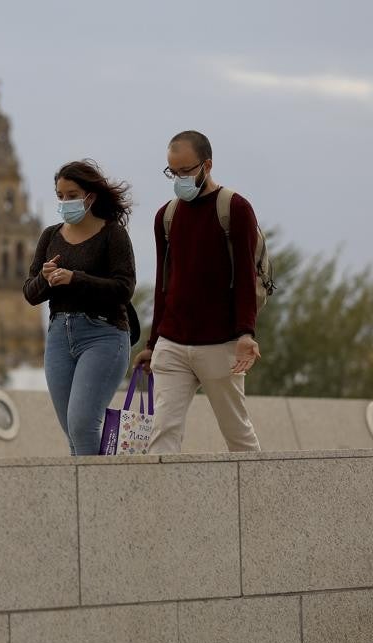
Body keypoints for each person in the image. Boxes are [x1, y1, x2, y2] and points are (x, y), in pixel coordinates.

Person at [133, 130, 262, 453]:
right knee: (162, 434)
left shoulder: (234, 208)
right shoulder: (166, 216)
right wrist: (153, 343)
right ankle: (160, 504)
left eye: (185, 171)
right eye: (172, 173)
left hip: (221, 344)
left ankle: (263, 500)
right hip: (172, 343)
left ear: (207, 164)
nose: (178, 179)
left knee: (237, 434)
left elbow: (246, 275)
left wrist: (246, 333)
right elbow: (164, 283)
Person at [24, 160, 137, 456]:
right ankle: (89, 495)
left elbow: (124, 289)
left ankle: (95, 498)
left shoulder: (112, 234)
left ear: (91, 196)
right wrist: (46, 279)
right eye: (60, 196)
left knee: (83, 423)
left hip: (103, 334)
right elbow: (30, 294)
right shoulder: (50, 236)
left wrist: (76, 278)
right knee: (72, 432)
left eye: (72, 195)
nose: (65, 202)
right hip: (60, 336)